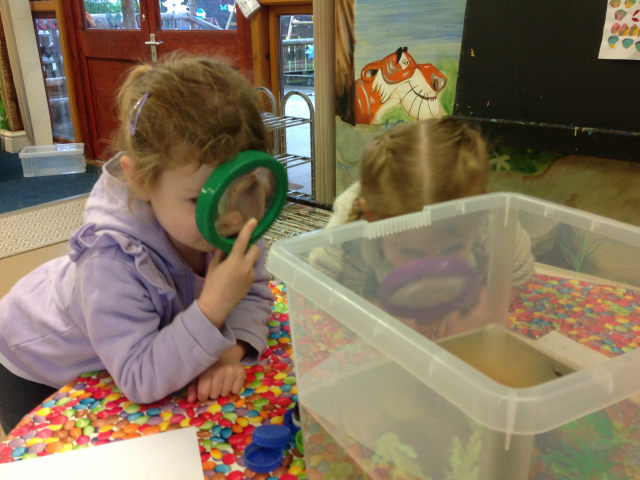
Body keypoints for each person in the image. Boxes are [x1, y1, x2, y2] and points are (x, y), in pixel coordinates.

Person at [0, 55, 273, 433]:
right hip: (35, 362)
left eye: (244, 189)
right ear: (140, 180)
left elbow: (254, 289)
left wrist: (231, 351)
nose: (230, 217)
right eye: (200, 200)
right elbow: (139, 376)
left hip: (122, 354)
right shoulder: (109, 259)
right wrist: (213, 307)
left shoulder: (232, 219)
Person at [309, 118, 534, 339]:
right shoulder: (353, 225)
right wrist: (372, 312)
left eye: (454, 247)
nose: (431, 269)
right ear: (372, 219)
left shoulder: (489, 216)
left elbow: (517, 270)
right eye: (409, 251)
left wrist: (483, 306)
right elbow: (318, 281)